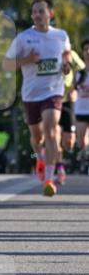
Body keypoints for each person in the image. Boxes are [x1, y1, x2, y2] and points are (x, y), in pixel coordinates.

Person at [3, 0, 71, 197]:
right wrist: (28, 60)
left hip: (53, 91)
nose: (37, 15)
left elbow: (66, 53)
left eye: (41, 11)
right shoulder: (24, 38)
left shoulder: (61, 35)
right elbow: (6, 64)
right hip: (31, 94)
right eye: (34, 12)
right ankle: (39, 158)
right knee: (37, 137)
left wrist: (66, 65)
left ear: (50, 14)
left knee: (51, 130)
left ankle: (49, 179)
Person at [58, 47, 85, 180]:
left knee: (69, 141)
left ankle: (65, 160)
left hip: (68, 100)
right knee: (54, 135)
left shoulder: (71, 54)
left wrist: (75, 88)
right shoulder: (45, 51)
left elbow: (83, 70)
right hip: (50, 99)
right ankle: (59, 167)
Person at [74, 38, 89, 172]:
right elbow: (72, 90)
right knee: (81, 140)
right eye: (85, 49)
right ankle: (85, 155)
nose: (88, 52)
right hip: (81, 110)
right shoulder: (78, 72)